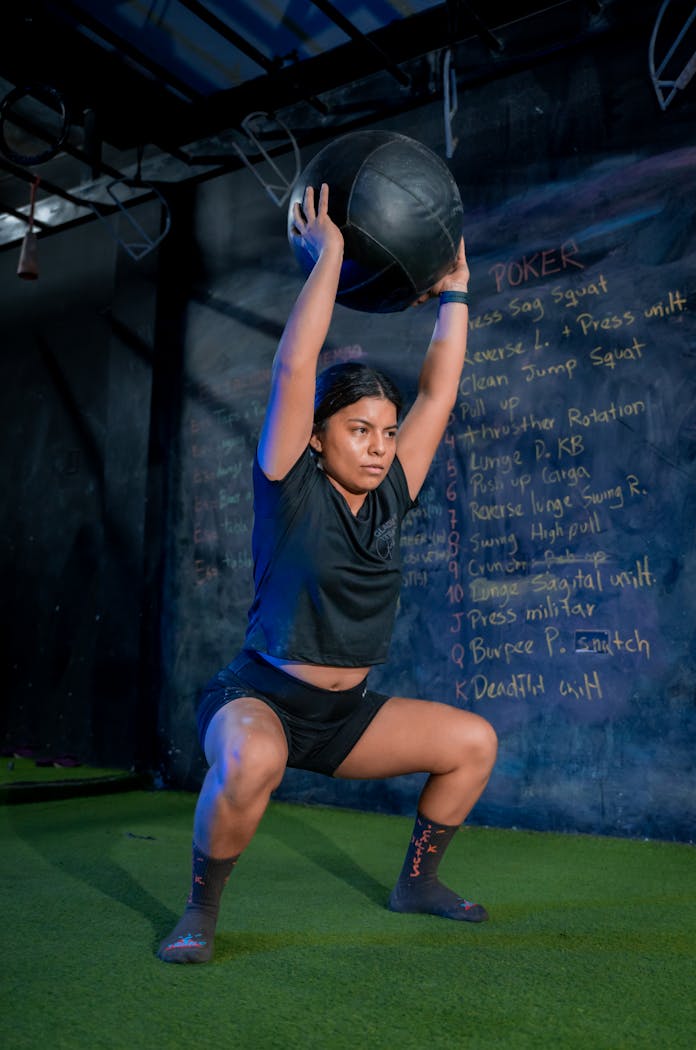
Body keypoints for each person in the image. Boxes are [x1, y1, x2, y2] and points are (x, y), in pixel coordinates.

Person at [158, 183, 498, 964]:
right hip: (260, 699)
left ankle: (416, 883)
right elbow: (294, 366)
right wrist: (332, 257)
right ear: (317, 439)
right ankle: (199, 913)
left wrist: (456, 295)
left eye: (386, 432)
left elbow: (440, 391)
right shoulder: (288, 484)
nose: (380, 446)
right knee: (253, 760)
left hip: (347, 718)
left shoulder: (392, 496)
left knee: (472, 743)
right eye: (359, 430)